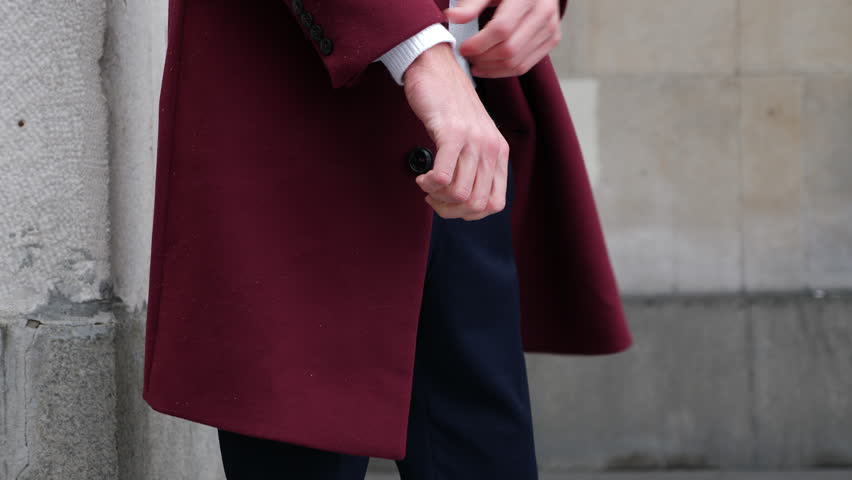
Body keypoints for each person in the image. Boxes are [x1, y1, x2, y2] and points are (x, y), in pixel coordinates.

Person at [141, 0, 634, 478]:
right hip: (304, 123)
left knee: (485, 452)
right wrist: (419, 51)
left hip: (463, 142)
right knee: (307, 450)